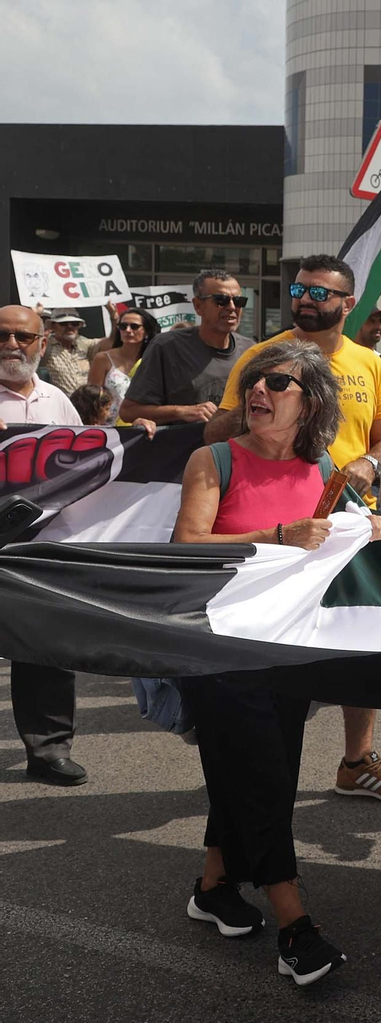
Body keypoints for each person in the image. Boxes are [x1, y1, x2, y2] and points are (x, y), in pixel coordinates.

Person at [173, 339, 381, 986]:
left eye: (278, 383)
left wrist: (369, 527)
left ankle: (213, 885)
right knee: (263, 775)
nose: (258, 390)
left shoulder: (320, 467)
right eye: (254, 380)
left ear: (310, 402)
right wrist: (275, 536)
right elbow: (186, 545)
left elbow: (351, 522)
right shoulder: (211, 460)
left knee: (260, 767)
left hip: (287, 651)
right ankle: (295, 925)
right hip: (218, 647)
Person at [205, 254, 381, 804]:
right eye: (299, 290)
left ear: (349, 304)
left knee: (360, 637)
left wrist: (371, 465)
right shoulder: (262, 354)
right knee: (267, 661)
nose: (305, 299)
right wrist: (264, 392)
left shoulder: (370, 363)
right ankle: (251, 779)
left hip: (347, 521)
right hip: (276, 527)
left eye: (320, 293)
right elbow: (218, 435)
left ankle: (357, 759)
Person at [0, 305, 87, 786]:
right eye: (3, 335)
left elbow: (89, 464)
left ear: (43, 342)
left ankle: (49, 751)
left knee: (46, 647)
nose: (13, 345)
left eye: (23, 337)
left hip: (41, 548)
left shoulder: (58, 401)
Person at [119, 271, 251, 425]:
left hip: (232, 448)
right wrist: (182, 412)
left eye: (239, 301)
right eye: (221, 300)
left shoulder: (250, 351)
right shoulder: (166, 346)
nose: (232, 307)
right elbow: (128, 411)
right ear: (198, 306)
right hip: (180, 447)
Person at [89, 307, 158, 423]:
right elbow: (92, 399)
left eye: (134, 326)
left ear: (146, 331)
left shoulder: (153, 360)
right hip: (110, 429)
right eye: (123, 326)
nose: (128, 330)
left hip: (144, 427)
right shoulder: (103, 359)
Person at [38, 309, 91, 393]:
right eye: (64, 324)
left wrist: (113, 318)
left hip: (86, 403)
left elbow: (110, 343)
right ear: (53, 326)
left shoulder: (85, 344)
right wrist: (35, 314)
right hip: (60, 403)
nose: (70, 327)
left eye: (74, 324)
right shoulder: (46, 345)